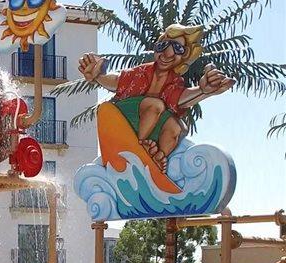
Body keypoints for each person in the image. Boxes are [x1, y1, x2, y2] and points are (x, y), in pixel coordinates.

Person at [78, 24, 234, 171]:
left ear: (185, 55)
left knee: (177, 128)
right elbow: (117, 81)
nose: (168, 53)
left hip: (150, 122)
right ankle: (139, 146)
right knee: (156, 105)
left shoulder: (175, 81)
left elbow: (180, 98)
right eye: (163, 46)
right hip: (126, 116)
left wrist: (204, 90)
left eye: (177, 48)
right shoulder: (142, 71)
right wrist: (98, 75)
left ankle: (156, 158)